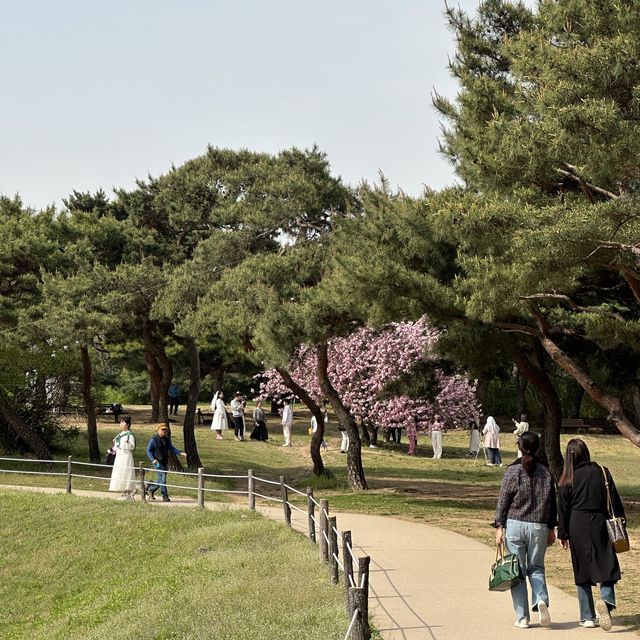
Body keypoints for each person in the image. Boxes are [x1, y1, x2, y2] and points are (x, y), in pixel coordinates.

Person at [557, 438, 626, 631]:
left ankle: (587, 616)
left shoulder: (567, 477)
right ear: (586, 452)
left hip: (576, 524)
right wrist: (621, 520)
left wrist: (563, 533)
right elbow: (614, 499)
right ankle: (606, 601)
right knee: (607, 563)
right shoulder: (602, 472)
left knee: (582, 569)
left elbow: (562, 508)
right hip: (600, 522)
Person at [495, 431, 557, 630]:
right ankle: (540, 599)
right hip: (538, 525)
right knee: (536, 568)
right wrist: (551, 527)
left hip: (515, 524)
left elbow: (503, 501)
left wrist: (499, 526)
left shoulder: (512, 471)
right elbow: (551, 503)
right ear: (538, 447)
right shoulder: (546, 472)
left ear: (520, 447)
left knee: (517, 571)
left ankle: (522, 617)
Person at [145, 424, 187, 502]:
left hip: (164, 462)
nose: (163, 432)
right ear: (158, 430)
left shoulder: (166, 439)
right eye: (162, 430)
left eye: (165, 430)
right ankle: (165, 496)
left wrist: (180, 453)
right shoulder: (154, 440)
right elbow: (148, 450)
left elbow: (171, 448)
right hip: (157, 462)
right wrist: (152, 459)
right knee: (163, 478)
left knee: (161, 479)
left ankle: (150, 488)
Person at [108, 416, 137, 500]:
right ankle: (123, 492)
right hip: (119, 455)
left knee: (126, 472)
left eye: (123, 422)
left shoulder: (130, 435)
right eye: (121, 422)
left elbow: (132, 447)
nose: (121, 424)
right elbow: (116, 444)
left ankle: (128, 492)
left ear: (128, 425)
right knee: (120, 471)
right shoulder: (119, 434)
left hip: (126, 455)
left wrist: (128, 444)